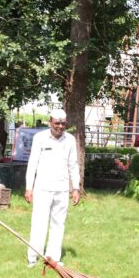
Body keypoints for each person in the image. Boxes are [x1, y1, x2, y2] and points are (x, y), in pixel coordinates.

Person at [25, 109, 81, 267]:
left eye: (63, 123)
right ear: (50, 122)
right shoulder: (40, 138)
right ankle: (33, 257)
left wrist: (75, 188)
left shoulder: (70, 140)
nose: (60, 126)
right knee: (39, 223)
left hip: (62, 189)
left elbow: (73, 165)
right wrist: (29, 188)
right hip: (42, 188)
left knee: (58, 223)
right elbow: (32, 164)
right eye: (57, 123)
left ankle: (53, 257)